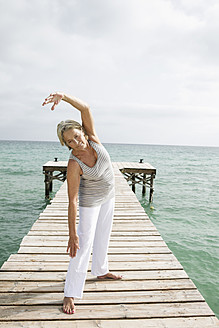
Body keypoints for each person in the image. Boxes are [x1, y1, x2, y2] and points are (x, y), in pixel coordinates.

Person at [42, 92, 123, 315]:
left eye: (77, 136)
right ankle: (70, 292)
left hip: (109, 196)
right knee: (82, 245)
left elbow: (85, 108)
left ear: (82, 132)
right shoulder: (74, 163)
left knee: (103, 236)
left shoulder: (93, 138)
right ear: (65, 144)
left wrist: (63, 96)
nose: (77, 142)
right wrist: (72, 234)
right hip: (90, 202)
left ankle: (101, 269)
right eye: (70, 141)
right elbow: (73, 200)